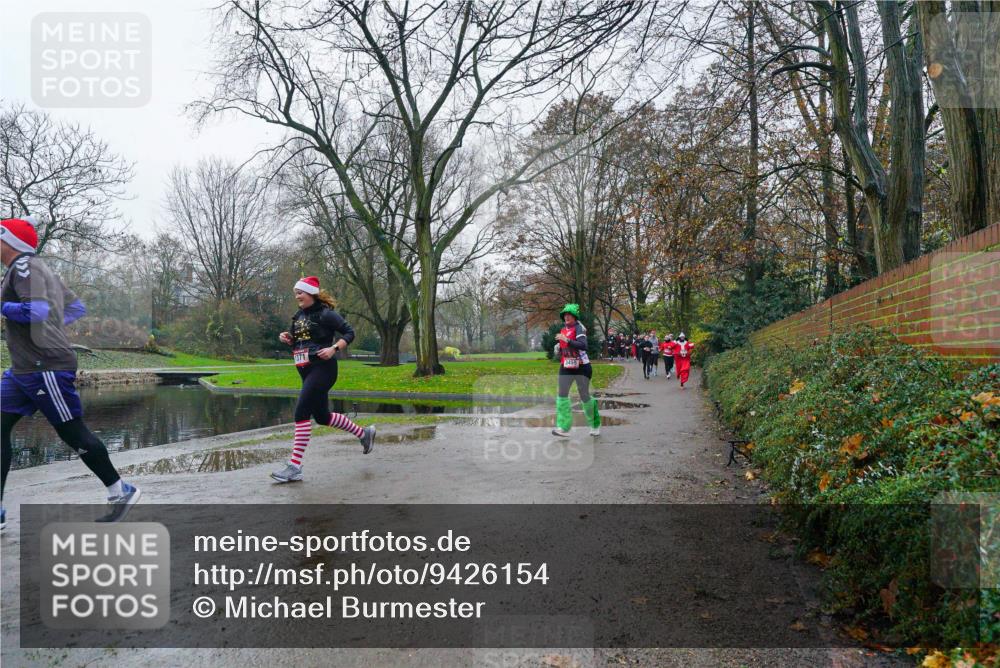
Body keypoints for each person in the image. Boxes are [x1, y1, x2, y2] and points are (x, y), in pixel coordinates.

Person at [0, 216, 140, 527]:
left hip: (43, 367)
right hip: (22, 370)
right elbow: (76, 309)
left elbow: (35, 311)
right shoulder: (40, 269)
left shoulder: (24, 267)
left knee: (71, 431)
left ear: (7, 240)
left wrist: (3, 308)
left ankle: (121, 491)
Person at [270, 276, 375, 483]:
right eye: (295, 293)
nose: (297, 296)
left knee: (301, 412)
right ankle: (364, 433)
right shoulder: (299, 316)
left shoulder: (327, 315)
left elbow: (349, 332)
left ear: (311, 293)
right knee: (322, 417)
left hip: (323, 369)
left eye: (300, 292)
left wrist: (334, 348)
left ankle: (295, 466)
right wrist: (287, 339)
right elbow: (299, 342)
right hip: (305, 370)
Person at [552, 304, 600, 437]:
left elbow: (584, 346)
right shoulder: (563, 330)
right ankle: (563, 426)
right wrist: (558, 349)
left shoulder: (579, 328)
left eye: (569, 314)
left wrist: (567, 340)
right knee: (561, 394)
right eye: (565, 315)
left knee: (584, 396)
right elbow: (566, 348)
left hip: (582, 367)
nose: (566, 317)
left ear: (574, 316)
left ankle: (595, 424)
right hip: (566, 366)